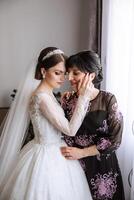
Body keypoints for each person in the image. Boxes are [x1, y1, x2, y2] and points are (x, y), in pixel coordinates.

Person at [0, 47, 93, 200]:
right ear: (43, 72)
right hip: (46, 155)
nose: (62, 79)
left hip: (55, 149)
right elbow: (70, 130)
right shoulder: (41, 97)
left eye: (64, 73)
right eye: (57, 73)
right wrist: (83, 98)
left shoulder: (47, 94)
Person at [61, 50, 125, 200]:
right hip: (74, 166)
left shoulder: (108, 99)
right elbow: (63, 133)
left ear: (91, 75)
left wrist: (82, 152)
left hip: (103, 167)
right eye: (68, 73)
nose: (69, 78)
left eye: (75, 73)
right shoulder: (67, 100)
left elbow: (115, 140)